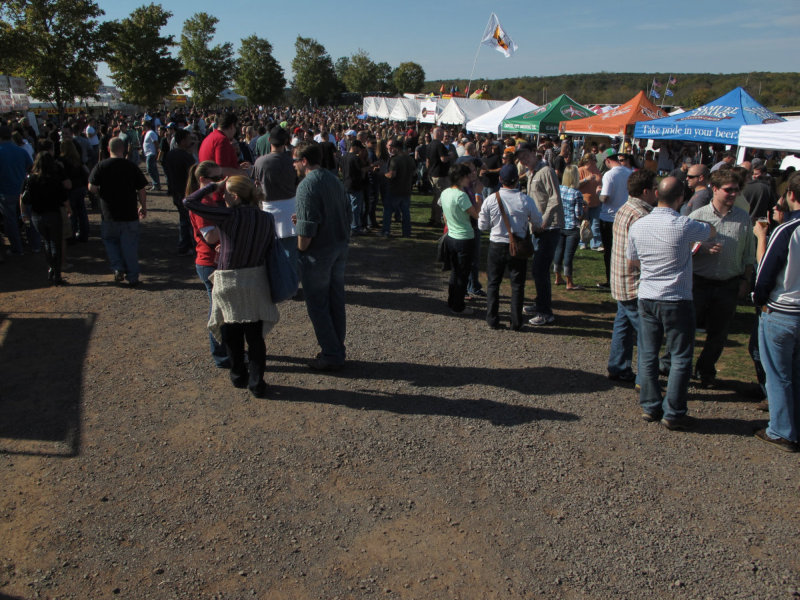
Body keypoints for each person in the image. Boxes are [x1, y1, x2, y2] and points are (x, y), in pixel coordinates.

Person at [627, 176, 715, 431]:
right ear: (681, 199)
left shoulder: (639, 225)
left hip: (648, 294)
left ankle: (650, 405)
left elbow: (633, 260)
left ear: (656, 194)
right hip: (676, 297)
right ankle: (674, 411)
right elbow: (710, 232)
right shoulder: (684, 224)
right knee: (680, 356)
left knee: (647, 352)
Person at [184, 175, 279, 398]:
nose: (222, 196)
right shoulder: (266, 218)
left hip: (229, 281)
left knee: (232, 333)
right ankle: (257, 382)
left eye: (224, 193)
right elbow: (267, 248)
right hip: (255, 279)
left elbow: (189, 202)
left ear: (234, 196)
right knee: (255, 337)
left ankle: (238, 376)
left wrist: (210, 187)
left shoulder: (228, 215)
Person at [687, 169, 754, 388]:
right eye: (729, 190)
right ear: (715, 189)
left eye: (736, 190)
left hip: (728, 284)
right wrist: (700, 247)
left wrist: (745, 280)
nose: (733, 194)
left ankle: (706, 370)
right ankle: (680, 368)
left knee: (719, 333)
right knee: (687, 329)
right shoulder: (698, 216)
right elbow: (681, 248)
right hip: (698, 282)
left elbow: (749, 255)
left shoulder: (743, 218)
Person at [293, 141, 352, 371]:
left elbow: (306, 233)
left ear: (304, 160)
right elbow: (345, 213)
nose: (294, 165)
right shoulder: (332, 179)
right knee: (335, 300)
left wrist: (300, 249)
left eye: (295, 161)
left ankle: (332, 353)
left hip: (319, 252)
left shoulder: (307, 186)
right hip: (339, 246)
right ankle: (336, 347)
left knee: (318, 305)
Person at [752, 172, 800, 452]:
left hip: (782, 309)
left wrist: (759, 298)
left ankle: (782, 430)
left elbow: (767, 270)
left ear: (791, 196)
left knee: (779, 374)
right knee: (794, 372)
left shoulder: (787, 230)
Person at [607, 169, 658, 383]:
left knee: (623, 325)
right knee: (647, 335)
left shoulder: (625, 208)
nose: (657, 192)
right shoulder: (642, 215)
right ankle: (645, 380)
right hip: (634, 283)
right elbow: (637, 255)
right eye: (654, 188)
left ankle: (618, 367)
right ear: (646, 191)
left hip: (620, 280)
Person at [478, 164, 542, 330]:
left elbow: (482, 226)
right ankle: (516, 321)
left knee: (493, 283)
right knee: (517, 284)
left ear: (500, 179)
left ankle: (492, 319)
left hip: (496, 244)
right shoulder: (525, 200)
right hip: (518, 245)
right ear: (517, 180)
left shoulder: (491, 199)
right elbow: (537, 221)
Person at [185, 160, 230, 369]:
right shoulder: (202, 204)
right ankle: (221, 356)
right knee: (218, 313)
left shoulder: (211, 200)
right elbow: (210, 237)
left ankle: (227, 350)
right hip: (208, 262)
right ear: (203, 180)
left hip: (214, 261)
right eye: (215, 178)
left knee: (224, 311)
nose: (220, 182)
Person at [88, 137, 148, 286]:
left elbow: (92, 187)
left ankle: (117, 266)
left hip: (109, 213)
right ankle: (133, 277)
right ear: (124, 149)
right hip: (128, 212)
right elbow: (141, 189)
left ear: (109, 149)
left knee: (110, 241)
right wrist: (143, 206)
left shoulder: (101, 166)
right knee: (129, 245)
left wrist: (101, 192)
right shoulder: (131, 166)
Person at [516, 142, 563, 326]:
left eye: (525, 155)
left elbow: (555, 198)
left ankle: (546, 312)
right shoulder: (531, 173)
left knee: (540, 270)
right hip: (537, 228)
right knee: (537, 270)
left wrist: (543, 220)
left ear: (534, 152)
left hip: (549, 228)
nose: (523, 159)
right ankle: (540, 303)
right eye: (520, 157)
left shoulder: (546, 171)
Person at [253, 126, 298, 278]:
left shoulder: (260, 162)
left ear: (269, 140)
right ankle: (290, 282)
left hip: (269, 207)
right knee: (290, 250)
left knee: (270, 249)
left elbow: (257, 185)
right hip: (290, 206)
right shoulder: (292, 161)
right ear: (285, 141)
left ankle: (274, 280)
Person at [24, 151, 71, 284]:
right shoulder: (54, 179)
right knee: (55, 243)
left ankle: (51, 267)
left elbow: (24, 198)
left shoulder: (30, 179)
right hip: (53, 214)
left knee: (46, 242)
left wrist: (23, 213)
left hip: (37, 215)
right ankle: (57, 273)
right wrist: (68, 209)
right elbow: (64, 198)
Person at [440, 163, 479, 315]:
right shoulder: (461, 196)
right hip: (464, 237)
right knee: (462, 273)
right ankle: (459, 306)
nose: (469, 178)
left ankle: (452, 301)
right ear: (461, 177)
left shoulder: (445, 193)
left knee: (455, 272)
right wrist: (478, 195)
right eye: (467, 176)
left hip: (451, 236)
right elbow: (476, 214)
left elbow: (444, 215)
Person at [597, 151, 633, 288]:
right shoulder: (629, 172)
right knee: (624, 250)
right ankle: (623, 279)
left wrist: (598, 192)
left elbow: (605, 197)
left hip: (609, 217)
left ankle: (611, 280)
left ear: (607, 160)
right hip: (625, 215)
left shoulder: (609, 174)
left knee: (609, 251)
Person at [0, 124, 33, 257]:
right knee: (26, 218)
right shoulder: (21, 151)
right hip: (23, 190)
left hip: (5, 192)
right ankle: (34, 244)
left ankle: (17, 248)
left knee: (11, 221)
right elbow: (31, 167)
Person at [164, 129, 197, 256]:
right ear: (183, 141)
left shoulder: (171, 154)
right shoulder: (185, 156)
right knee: (190, 221)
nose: (191, 142)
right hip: (186, 191)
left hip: (175, 191)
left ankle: (184, 245)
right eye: (189, 139)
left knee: (184, 220)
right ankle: (190, 246)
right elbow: (193, 174)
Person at [553, 165, 585, 290]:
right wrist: (584, 211)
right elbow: (579, 214)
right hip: (572, 227)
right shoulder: (577, 193)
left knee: (558, 251)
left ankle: (557, 276)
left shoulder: (559, 189)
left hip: (560, 224)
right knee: (568, 255)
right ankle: (569, 282)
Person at [383, 139, 415, 238]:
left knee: (388, 211)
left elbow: (392, 174)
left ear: (396, 148)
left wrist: (383, 174)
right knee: (406, 212)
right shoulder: (410, 159)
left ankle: (386, 231)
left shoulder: (395, 160)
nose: (391, 150)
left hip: (395, 189)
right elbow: (414, 173)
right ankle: (406, 232)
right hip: (406, 189)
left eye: (392, 148)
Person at [342, 139, 367, 235]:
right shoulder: (355, 158)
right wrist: (373, 166)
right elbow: (361, 170)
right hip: (355, 185)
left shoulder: (344, 156)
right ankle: (355, 227)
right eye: (359, 148)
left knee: (348, 208)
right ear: (355, 147)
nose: (360, 151)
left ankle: (349, 226)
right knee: (355, 208)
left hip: (346, 184)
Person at [577, 154, 602, 251]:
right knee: (584, 223)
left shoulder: (596, 170)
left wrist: (600, 187)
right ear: (588, 160)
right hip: (584, 201)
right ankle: (582, 242)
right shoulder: (581, 170)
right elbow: (575, 184)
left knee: (595, 224)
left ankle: (596, 243)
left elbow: (600, 182)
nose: (595, 161)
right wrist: (586, 180)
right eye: (593, 159)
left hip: (596, 200)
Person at [141, 119, 161, 192]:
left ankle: (156, 184)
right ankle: (156, 184)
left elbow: (156, 143)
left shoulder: (151, 133)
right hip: (149, 154)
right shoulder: (147, 133)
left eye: (143, 125)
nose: (142, 127)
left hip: (151, 154)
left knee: (150, 169)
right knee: (152, 170)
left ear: (146, 126)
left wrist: (156, 153)